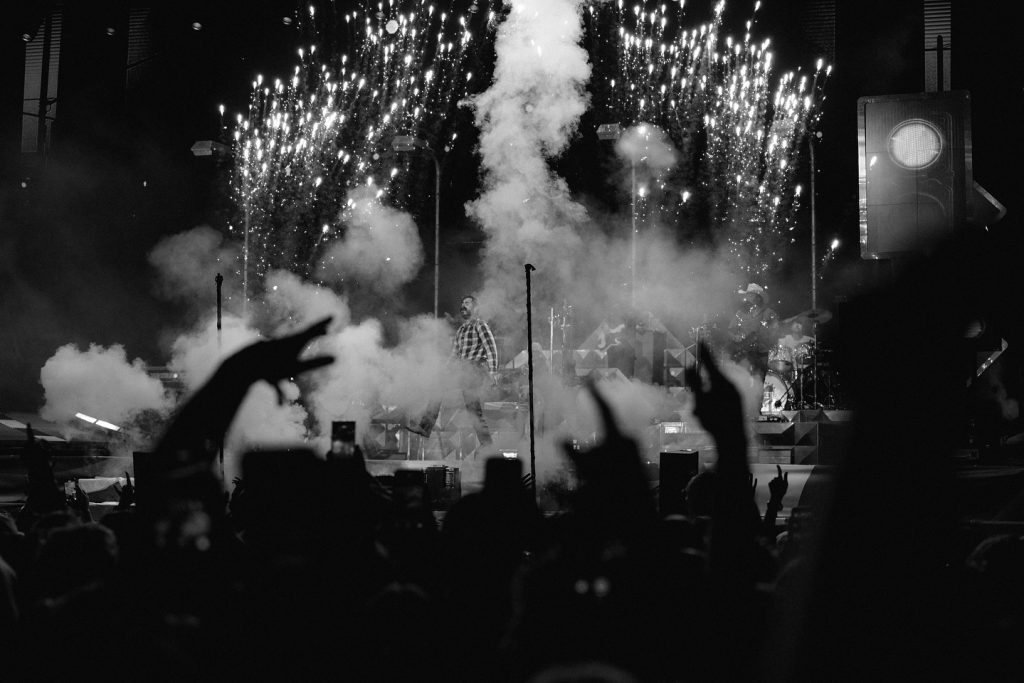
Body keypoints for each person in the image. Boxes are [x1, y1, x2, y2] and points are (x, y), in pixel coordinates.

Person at [409, 295, 497, 451]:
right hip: (462, 370)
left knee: (473, 410)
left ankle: (488, 446)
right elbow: (454, 355)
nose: (463, 305)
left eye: (467, 303)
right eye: (462, 303)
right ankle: (424, 427)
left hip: (474, 369)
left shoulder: (480, 325)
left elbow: (491, 349)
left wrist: (493, 372)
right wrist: (444, 372)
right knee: (441, 390)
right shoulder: (461, 330)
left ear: (475, 308)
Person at [728, 283, 778, 378]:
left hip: (762, 356)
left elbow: (775, 334)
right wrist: (735, 337)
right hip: (744, 356)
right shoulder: (740, 313)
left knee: (760, 380)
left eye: (750, 295)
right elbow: (730, 330)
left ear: (759, 298)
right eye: (747, 295)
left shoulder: (769, 313)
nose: (747, 298)